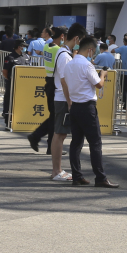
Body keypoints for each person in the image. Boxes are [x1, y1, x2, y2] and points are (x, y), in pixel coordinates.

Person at [62, 36, 119, 188]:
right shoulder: (87, 65)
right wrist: (103, 74)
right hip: (87, 107)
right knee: (95, 143)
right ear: (90, 50)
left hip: (75, 106)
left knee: (76, 143)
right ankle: (100, 177)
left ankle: (77, 176)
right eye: (93, 52)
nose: (93, 54)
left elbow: (65, 83)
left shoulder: (69, 64)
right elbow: (99, 84)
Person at [48, 24, 86, 181]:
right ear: (76, 38)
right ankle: (56, 171)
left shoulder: (65, 53)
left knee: (60, 134)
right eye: (81, 40)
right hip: (63, 98)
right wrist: (70, 101)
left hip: (63, 97)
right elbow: (64, 81)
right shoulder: (64, 55)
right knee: (59, 134)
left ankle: (57, 170)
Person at [28, 26, 65, 154]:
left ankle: (47, 144)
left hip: (49, 82)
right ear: (61, 36)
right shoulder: (59, 51)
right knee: (55, 117)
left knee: (53, 116)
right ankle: (39, 138)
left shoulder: (46, 47)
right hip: (55, 83)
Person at [2, 40, 25, 127]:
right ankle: (8, 120)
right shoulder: (10, 57)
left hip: (23, 84)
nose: (25, 48)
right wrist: (10, 80)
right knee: (9, 101)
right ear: (19, 47)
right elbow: (5, 71)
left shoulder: (26, 57)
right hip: (12, 83)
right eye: (23, 46)